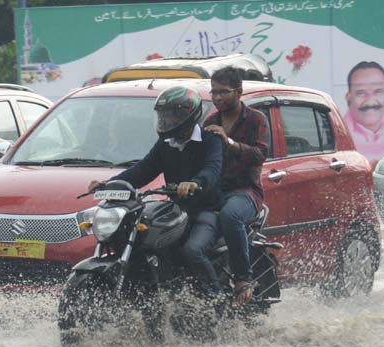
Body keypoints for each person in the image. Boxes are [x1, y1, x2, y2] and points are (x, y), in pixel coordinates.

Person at [87, 84, 224, 298]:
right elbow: (142, 170)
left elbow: (212, 170)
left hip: (206, 210)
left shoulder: (210, 140)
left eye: (172, 117)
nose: (166, 122)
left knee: (192, 251)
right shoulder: (165, 143)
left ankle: (217, 300)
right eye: (163, 116)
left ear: (188, 116)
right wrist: (108, 184)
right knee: (148, 241)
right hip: (178, 210)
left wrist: (195, 183)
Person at [201, 66, 270, 307]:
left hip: (245, 192)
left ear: (239, 92)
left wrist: (229, 143)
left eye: (223, 92)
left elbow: (260, 154)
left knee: (230, 216)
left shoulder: (256, 119)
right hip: (216, 192)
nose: (217, 97)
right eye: (213, 92)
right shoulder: (209, 121)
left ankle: (243, 279)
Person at [343, 61, 384, 167]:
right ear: (349, 97)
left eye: (378, 92)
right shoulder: (339, 136)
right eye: (361, 93)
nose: (370, 101)